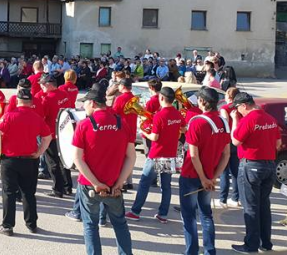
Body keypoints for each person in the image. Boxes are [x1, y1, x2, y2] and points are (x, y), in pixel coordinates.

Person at [73, 84, 136, 255]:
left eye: (85, 103)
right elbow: (131, 157)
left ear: (92, 103)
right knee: (120, 224)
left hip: (89, 186)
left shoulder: (84, 125)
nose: (83, 106)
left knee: (90, 226)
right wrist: (119, 182)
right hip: (114, 185)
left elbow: (77, 159)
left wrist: (96, 183)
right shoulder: (121, 123)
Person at [0, 88, 52, 236]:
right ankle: (31, 224)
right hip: (30, 160)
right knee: (29, 193)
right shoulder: (37, 117)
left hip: (10, 160)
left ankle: (8, 225)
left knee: (9, 192)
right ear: (31, 103)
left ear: (17, 101)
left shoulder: (9, 115)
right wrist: (39, 152)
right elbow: (47, 137)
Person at [180, 87, 231, 255]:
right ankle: (210, 251)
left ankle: (192, 252)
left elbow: (193, 156)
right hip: (208, 175)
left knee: (189, 217)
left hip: (191, 175)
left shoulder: (197, 121)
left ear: (202, 101)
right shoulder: (223, 122)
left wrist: (203, 178)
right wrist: (213, 177)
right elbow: (226, 154)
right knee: (206, 215)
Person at [230, 92, 281, 253]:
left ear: (244, 105)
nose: (238, 112)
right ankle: (266, 243)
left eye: (238, 109)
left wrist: (235, 121)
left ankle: (251, 244)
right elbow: (278, 144)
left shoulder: (248, 120)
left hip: (251, 165)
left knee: (250, 207)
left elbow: (235, 140)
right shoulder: (270, 119)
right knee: (264, 205)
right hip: (269, 165)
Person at [127, 86, 184, 223]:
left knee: (144, 183)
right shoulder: (177, 113)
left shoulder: (159, 115)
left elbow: (155, 137)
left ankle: (135, 211)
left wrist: (144, 132)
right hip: (170, 154)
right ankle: (163, 214)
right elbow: (183, 128)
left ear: (162, 98)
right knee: (166, 186)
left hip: (157, 154)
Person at [37, 74, 72, 197]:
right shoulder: (64, 94)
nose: (41, 87)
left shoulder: (47, 99)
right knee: (64, 160)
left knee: (52, 162)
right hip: (64, 132)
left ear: (48, 85)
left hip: (51, 134)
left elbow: (42, 116)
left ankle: (58, 189)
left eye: (42, 85)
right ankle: (67, 186)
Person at [217, 86, 241, 208]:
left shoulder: (224, 108)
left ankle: (223, 199)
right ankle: (236, 198)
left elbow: (225, 125)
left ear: (229, 97)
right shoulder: (239, 108)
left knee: (224, 172)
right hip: (237, 140)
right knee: (235, 172)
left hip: (227, 141)